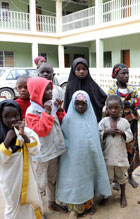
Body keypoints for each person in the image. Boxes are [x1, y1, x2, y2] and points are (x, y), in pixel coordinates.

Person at [56, 91, 111, 218]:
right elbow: (64, 138)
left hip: (89, 158)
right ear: (72, 104)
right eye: (77, 104)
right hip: (72, 159)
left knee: (88, 178)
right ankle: (75, 208)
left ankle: (88, 204)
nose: (80, 106)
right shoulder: (68, 119)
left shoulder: (92, 119)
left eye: (83, 104)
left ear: (88, 105)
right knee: (75, 180)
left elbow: (95, 139)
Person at [26, 77, 67, 213]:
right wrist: (47, 113)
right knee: (40, 184)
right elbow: (40, 131)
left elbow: (61, 121)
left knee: (52, 179)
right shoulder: (32, 111)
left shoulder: (50, 105)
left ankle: (51, 202)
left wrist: (59, 110)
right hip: (41, 154)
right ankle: (39, 210)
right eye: (47, 89)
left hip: (54, 150)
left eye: (50, 88)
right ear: (38, 92)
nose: (51, 91)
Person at [0, 100, 42, 219]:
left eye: (15, 115)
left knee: (30, 204)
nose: (12, 119)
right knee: (13, 207)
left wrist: (24, 136)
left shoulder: (26, 131)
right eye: (7, 116)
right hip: (9, 181)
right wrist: (7, 140)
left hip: (28, 177)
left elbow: (36, 150)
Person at [108, 64, 140, 188]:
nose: (126, 76)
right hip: (118, 123)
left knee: (132, 147)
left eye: (127, 73)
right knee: (118, 148)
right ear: (116, 75)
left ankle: (130, 175)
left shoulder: (132, 88)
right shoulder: (112, 89)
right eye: (123, 73)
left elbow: (138, 102)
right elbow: (113, 103)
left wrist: (124, 102)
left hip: (132, 123)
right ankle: (118, 178)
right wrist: (129, 102)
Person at [99, 95, 133, 208]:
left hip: (120, 157)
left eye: (116, 107)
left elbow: (130, 136)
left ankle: (123, 195)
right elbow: (98, 134)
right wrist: (106, 132)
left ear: (121, 108)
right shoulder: (104, 122)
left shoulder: (124, 122)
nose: (113, 110)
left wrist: (123, 133)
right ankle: (107, 196)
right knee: (107, 178)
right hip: (107, 157)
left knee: (122, 178)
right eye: (110, 107)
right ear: (107, 109)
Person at [64, 57, 107, 122]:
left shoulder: (92, 84)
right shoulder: (70, 86)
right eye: (78, 69)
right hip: (74, 120)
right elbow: (67, 103)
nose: (81, 71)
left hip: (90, 119)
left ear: (88, 70)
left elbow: (102, 96)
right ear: (73, 70)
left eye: (84, 69)